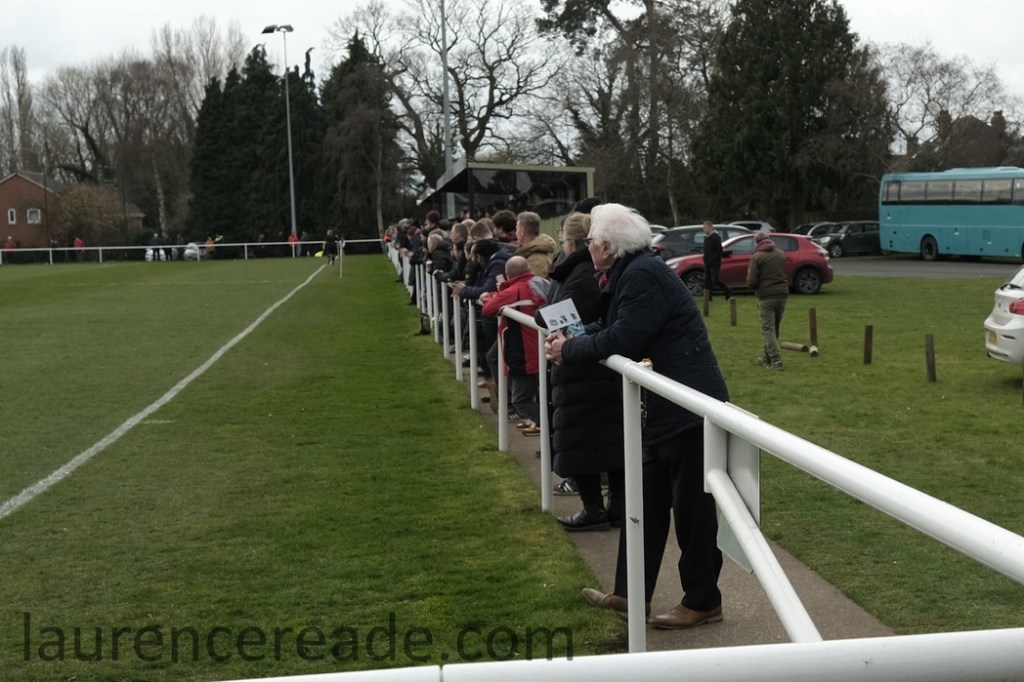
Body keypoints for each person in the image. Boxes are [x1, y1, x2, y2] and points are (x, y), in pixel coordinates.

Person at [545, 202, 730, 629]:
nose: (589, 247)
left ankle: (703, 601)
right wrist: (570, 343)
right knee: (643, 504)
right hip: (664, 409)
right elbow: (611, 326)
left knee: (693, 512)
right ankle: (630, 595)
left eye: (592, 241)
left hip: (688, 409)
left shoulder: (642, 273)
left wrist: (570, 349)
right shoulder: (630, 271)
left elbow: (625, 338)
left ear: (608, 247)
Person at [540, 211, 624, 531]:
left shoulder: (579, 276)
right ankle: (614, 508)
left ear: (572, 243)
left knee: (583, 442)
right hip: (590, 367)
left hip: (582, 370)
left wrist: (545, 316)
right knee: (606, 442)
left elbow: (558, 317)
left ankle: (594, 509)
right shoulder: (582, 273)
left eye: (562, 240)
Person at [481, 256, 548, 431]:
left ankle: (547, 429)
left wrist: (490, 297)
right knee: (542, 394)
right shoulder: (541, 283)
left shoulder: (515, 290)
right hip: (544, 347)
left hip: (524, 353)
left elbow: (488, 309)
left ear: (508, 275)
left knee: (520, 400)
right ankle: (543, 426)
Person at [746, 232, 788, 370]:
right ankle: (766, 358)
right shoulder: (780, 254)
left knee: (768, 329)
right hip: (782, 294)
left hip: (766, 296)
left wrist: (754, 288)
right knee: (774, 328)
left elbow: (751, 281)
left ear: (756, 243)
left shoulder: (757, 257)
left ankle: (777, 361)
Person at [514, 211, 557, 277]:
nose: (516, 233)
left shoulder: (537, 261)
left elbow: (536, 283)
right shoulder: (529, 254)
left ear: (522, 232)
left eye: (517, 229)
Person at [701, 221, 731, 300]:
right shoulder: (706, 238)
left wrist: (713, 259)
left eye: (705, 228)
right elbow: (706, 250)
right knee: (706, 280)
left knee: (714, 279)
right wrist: (705, 258)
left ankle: (727, 289)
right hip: (707, 262)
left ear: (710, 227)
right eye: (704, 228)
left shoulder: (716, 238)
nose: (704, 229)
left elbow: (719, 251)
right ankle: (708, 296)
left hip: (715, 263)